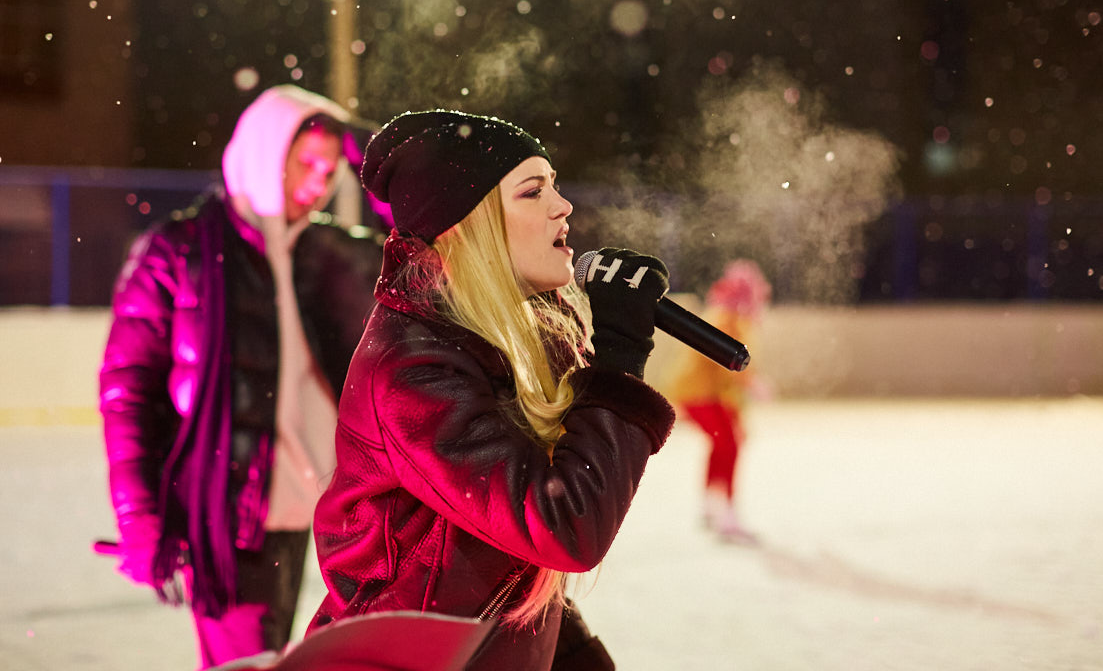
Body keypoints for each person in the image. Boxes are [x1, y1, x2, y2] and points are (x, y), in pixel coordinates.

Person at [306, 110, 677, 670]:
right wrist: (620, 359)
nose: (563, 205)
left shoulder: (493, 343)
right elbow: (563, 526)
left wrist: (569, 653)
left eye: (554, 184)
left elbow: (496, 560)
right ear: (469, 225)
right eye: (533, 191)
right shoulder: (413, 370)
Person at [98, 85, 383, 669]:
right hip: (231, 513)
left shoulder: (331, 252)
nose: (318, 182)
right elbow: (128, 392)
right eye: (304, 162)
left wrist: (371, 157)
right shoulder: (179, 251)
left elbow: (425, 244)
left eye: (331, 168)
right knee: (250, 664)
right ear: (262, 151)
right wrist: (140, 517)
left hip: (328, 506)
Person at [664, 259, 770, 543]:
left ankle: (712, 507)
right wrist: (753, 384)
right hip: (700, 394)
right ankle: (726, 515)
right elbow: (729, 364)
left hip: (702, 393)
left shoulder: (725, 314)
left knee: (724, 442)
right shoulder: (728, 317)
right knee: (729, 444)